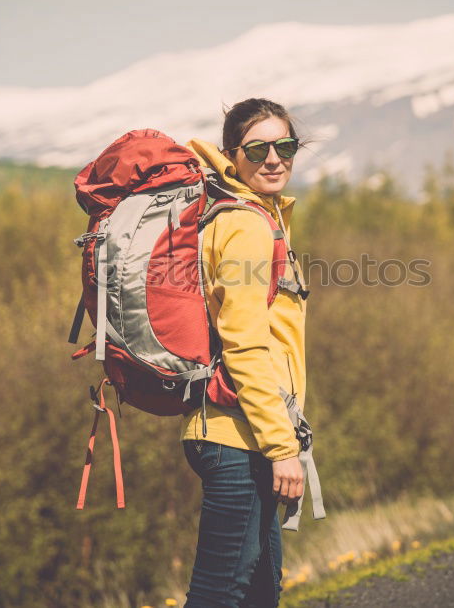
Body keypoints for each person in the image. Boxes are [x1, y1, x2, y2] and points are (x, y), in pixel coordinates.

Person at [180, 97, 310, 607]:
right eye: (258, 149)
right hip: (237, 437)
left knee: (259, 592)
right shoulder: (246, 225)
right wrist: (282, 448)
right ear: (233, 155)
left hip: (241, 432)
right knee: (220, 594)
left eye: (286, 145)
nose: (274, 158)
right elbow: (246, 344)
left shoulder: (249, 216)